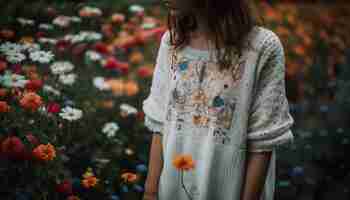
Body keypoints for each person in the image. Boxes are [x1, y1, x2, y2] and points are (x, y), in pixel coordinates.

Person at [142, 0, 295, 200]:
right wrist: (150, 193)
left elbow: (262, 141)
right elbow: (160, 123)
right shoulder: (172, 42)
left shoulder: (262, 48)